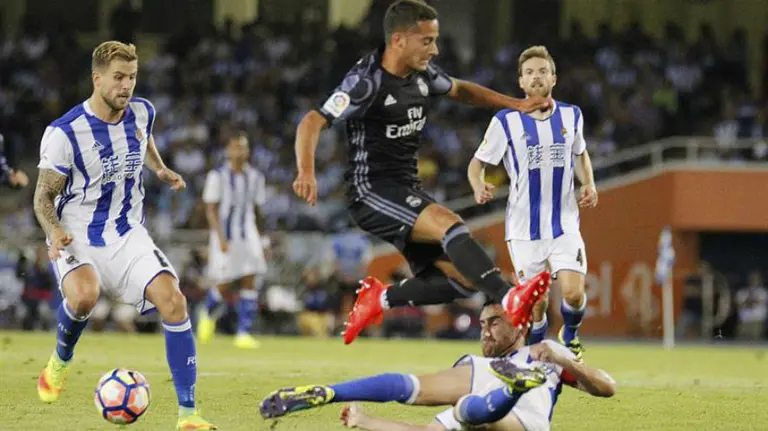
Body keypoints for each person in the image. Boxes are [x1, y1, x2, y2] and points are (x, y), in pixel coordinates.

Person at [293, 0, 551, 344]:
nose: (435, 49)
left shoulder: (423, 75)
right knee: (450, 225)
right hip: (371, 191)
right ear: (398, 40)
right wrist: (306, 172)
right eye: (427, 41)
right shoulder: (365, 82)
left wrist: (516, 104)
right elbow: (312, 121)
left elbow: (460, 90)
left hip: (405, 188)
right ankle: (509, 298)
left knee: (460, 280)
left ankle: (380, 298)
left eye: (435, 40)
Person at [32, 41, 216, 430]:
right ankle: (59, 363)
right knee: (84, 296)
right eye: (118, 77)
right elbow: (42, 196)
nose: (126, 85)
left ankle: (188, 415)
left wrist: (161, 168)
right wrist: (54, 230)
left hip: (127, 231)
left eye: (132, 77)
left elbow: (142, 138)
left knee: (175, 302)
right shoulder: (65, 133)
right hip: (77, 234)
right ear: (96, 78)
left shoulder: (142, 112)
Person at [260, 276, 616, 431]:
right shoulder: (479, 362)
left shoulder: (546, 352)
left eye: (494, 322)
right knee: (426, 392)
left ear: (520, 327)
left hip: (524, 423)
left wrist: (564, 359)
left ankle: (512, 391)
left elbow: (607, 387)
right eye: (481, 324)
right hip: (489, 401)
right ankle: (330, 392)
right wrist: (364, 421)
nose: (485, 329)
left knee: (466, 408)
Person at [467, 46, 598, 359]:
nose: (536, 76)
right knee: (536, 306)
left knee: (573, 292)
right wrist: (477, 185)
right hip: (524, 230)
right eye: (529, 73)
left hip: (564, 223)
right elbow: (477, 164)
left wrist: (589, 183)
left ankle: (570, 333)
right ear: (521, 83)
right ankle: (538, 352)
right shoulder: (505, 121)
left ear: (553, 78)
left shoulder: (572, 115)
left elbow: (580, 153)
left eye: (542, 71)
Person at [197, 133, 267, 349]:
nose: (240, 152)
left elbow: (257, 209)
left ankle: (243, 333)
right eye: (236, 147)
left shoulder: (255, 177)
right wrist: (220, 238)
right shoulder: (217, 176)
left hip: (249, 234)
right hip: (225, 235)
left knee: (249, 279)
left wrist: (262, 239)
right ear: (228, 151)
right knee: (225, 282)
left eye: (244, 148)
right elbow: (211, 208)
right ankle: (206, 313)